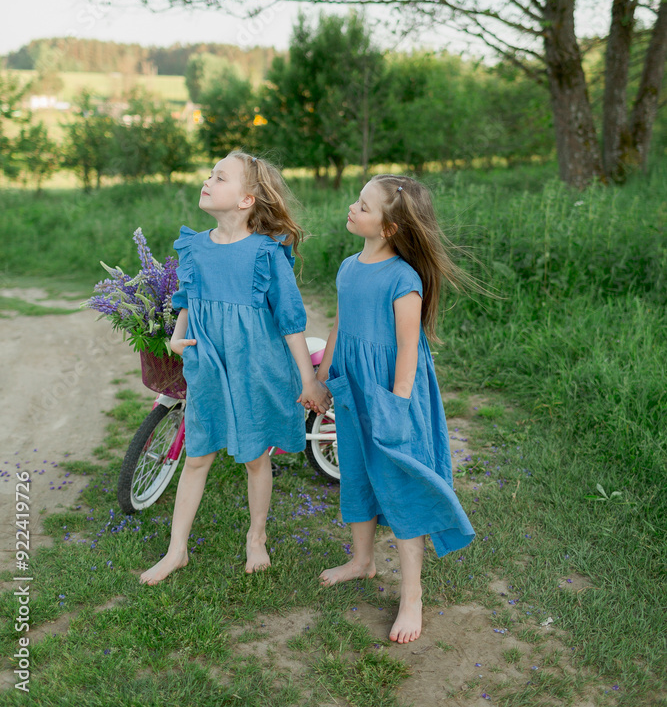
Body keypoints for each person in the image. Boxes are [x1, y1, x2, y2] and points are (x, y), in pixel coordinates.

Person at [140, 151, 331, 584]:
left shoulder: (265, 252)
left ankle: (256, 535)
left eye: (220, 177)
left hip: (256, 367)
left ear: (246, 200)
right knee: (197, 455)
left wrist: (307, 378)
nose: (208, 180)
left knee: (255, 458)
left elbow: (290, 320)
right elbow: (187, 297)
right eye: (210, 174)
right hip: (208, 364)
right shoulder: (194, 245)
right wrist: (177, 335)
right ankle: (176, 551)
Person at [315, 174, 476, 643]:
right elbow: (342, 324)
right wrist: (325, 377)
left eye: (363, 205)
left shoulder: (403, 280)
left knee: (399, 484)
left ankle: (411, 595)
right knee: (358, 470)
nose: (352, 207)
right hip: (353, 387)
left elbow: (408, 347)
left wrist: (398, 404)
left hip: (390, 393)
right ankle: (362, 560)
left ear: (388, 228)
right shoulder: (349, 267)